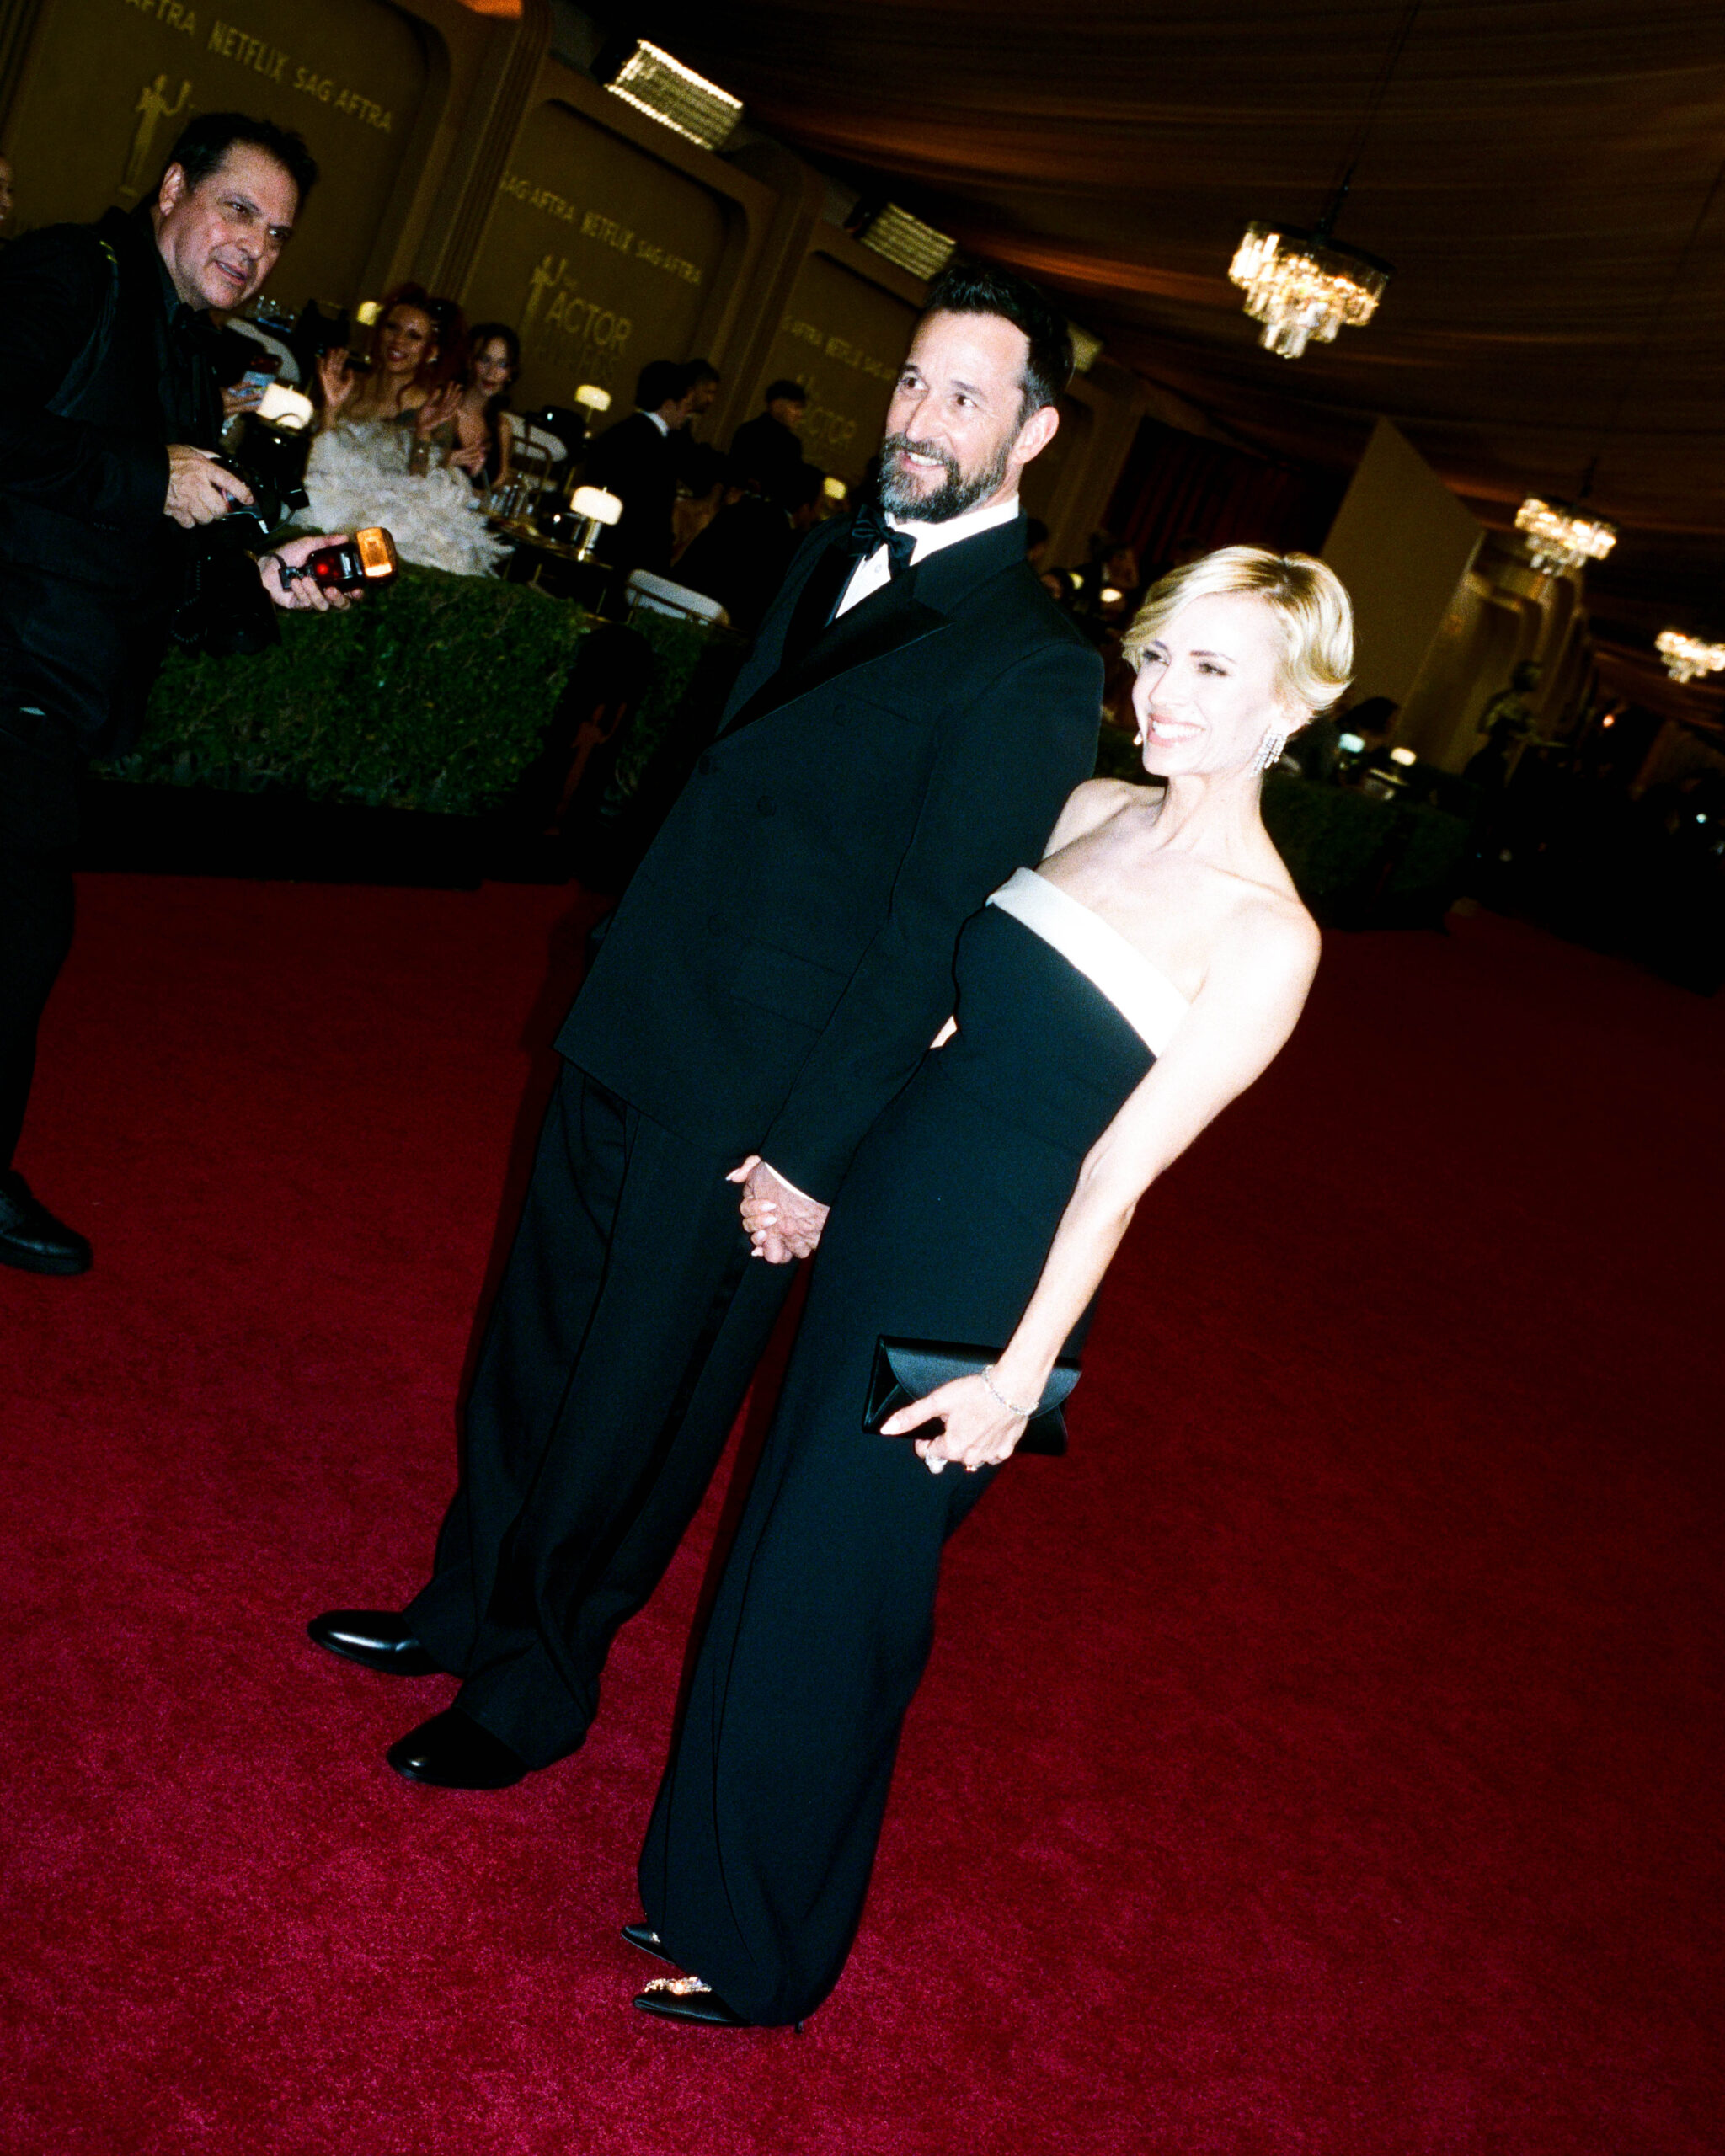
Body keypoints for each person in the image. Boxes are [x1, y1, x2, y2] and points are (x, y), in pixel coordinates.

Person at [308, 259, 1105, 1792]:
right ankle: (462, 1600)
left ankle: (538, 1682)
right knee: (536, 1339)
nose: (920, 420)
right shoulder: (822, 554)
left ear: (1035, 432)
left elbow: (936, 931)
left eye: (963, 396)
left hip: (763, 1092)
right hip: (642, 1008)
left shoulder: (1033, 657)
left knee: (638, 1397)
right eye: (910, 381)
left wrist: (810, 1154)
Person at [628, 545, 1352, 2030]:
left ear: (1293, 705)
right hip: (890, 1215)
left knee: (847, 1605)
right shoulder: (1090, 808)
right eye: (1156, 654)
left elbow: (1115, 1178)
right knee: (775, 1555)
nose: (1155, 693)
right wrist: (820, 1171)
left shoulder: (1266, 937)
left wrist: (1017, 1384)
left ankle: (767, 1955)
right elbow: (958, 1030)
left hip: (982, 1306)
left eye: (1208, 669)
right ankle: (703, 1878)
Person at [0, 111, 355, 1277]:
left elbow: (171, 573)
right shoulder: (69, 274)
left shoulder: (198, 361)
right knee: (21, 933)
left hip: (59, 692)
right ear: (169, 190)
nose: (254, 245)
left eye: (278, 234)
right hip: (7, 665)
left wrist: (267, 582)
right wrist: (142, 474)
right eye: (238, 208)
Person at [313, 284, 465, 450]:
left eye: (413, 336)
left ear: (431, 352)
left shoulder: (434, 410)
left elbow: (424, 475)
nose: (398, 340)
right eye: (392, 327)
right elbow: (320, 458)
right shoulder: (347, 387)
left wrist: (422, 433)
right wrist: (330, 409)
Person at [581, 358, 694, 580]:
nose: (688, 414)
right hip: (630, 560)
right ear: (669, 404)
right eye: (686, 406)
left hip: (598, 546)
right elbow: (654, 519)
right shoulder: (658, 449)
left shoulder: (617, 431)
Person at [445, 321, 519, 492]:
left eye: (502, 364)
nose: (491, 372)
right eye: (485, 359)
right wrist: (444, 460)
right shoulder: (443, 410)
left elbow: (497, 489)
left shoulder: (502, 427)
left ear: (510, 373)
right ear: (470, 362)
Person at [729, 379, 809, 510]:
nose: (800, 415)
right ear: (777, 405)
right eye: (796, 407)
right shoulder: (791, 444)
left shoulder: (747, 430)